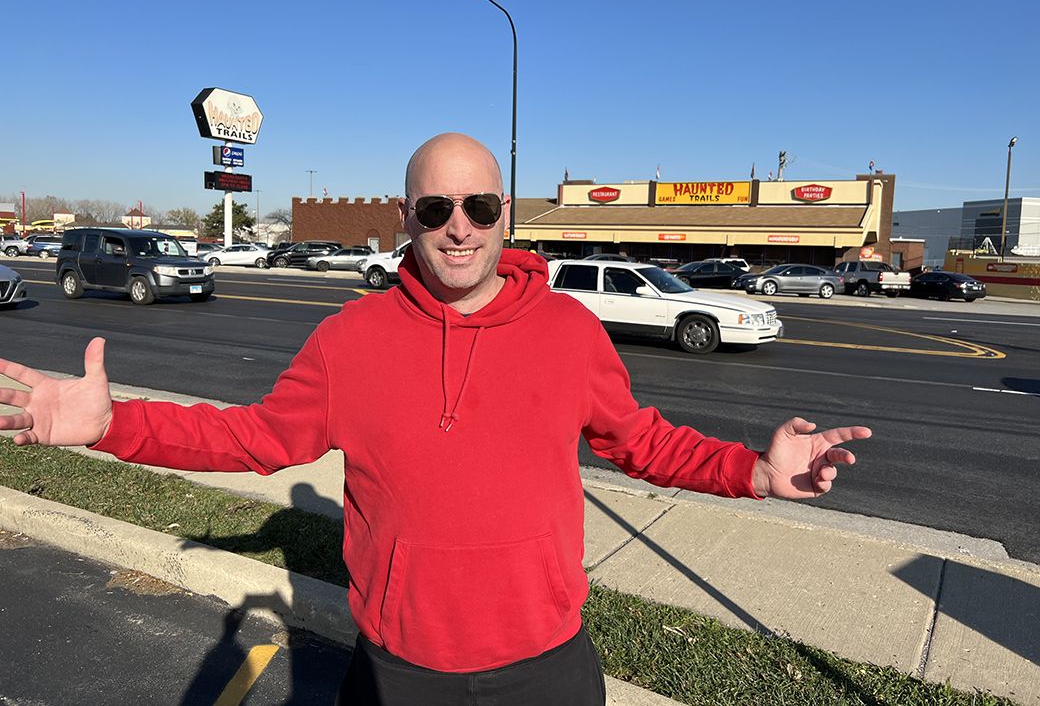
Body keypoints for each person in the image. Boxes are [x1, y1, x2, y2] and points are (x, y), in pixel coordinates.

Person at [0, 132, 871, 706]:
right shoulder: (350, 338)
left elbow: (640, 442)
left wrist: (754, 471)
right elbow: (254, 439)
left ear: (505, 215)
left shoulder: (568, 331)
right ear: (405, 218)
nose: (459, 229)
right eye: (435, 209)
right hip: (398, 673)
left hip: (547, 669)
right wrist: (113, 426)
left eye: (479, 207)